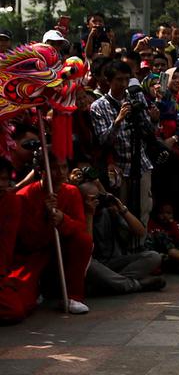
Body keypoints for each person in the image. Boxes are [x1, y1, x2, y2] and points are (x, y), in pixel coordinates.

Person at [0, 159, 94, 319]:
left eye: (64, 167)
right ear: (41, 170)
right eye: (54, 168)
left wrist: (63, 219)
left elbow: (81, 229)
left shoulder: (71, 192)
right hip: (32, 257)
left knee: (83, 242)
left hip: (65, 255)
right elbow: (26, 240)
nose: (61, 173)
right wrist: (44, 216)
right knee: (19, 304)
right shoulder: (23, 196)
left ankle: (73, 296)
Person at [89, 61, 157, 217]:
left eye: (127, 79)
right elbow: (103, 141)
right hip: (119, 168)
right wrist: (117, 122)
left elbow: (149, 130)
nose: (124, 84)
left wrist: (154, 120)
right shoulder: (98, 106)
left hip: (142, 164)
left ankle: (141, 241)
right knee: (122, 213)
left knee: (143, 210)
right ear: (108, 80)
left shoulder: (136, 95)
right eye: (119, 79)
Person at [79, 180, 166, 296]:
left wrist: (122, 210)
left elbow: (141, 232)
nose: (96, 202)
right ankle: (136, 285)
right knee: (88, 264)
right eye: (92, 199)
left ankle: (106, 286)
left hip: (114, 263)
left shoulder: (108, 212)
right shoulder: (79, 215)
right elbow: (86, 248)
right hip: (94, 265)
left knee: (154, 256)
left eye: (98, 198)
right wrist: (89, 214)